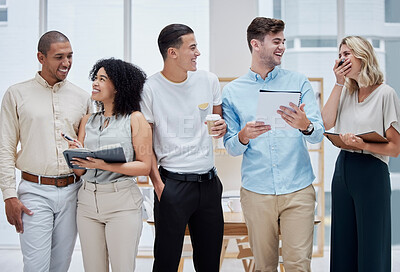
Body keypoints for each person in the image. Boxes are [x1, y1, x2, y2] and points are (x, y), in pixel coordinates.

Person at [222, 17, 324, 271]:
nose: (282, 47)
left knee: (298, 265)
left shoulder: (299, 82)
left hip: (298, 188)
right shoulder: (233, 92)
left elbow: (318, 134)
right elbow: (231, 147)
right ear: (256, 44)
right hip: (257, 192)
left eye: (283, 41)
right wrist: (244, 135)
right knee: (263, 267)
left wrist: (305, 124)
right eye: (276, 41)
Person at [0, 31, 91, 272]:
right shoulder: (16, 94)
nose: (66, 63)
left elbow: (88, 148)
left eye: (70, 56)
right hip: (34, 192)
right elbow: (5, 147)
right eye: (59, 57)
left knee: (61, 266)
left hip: (73, 191)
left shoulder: (82, 98)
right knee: (36, 266)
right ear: (41, 57)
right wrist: (9, 195)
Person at [140, 23, 227, 272]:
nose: (198, 52)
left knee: (210, 263)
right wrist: (158, 185)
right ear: (172, 53)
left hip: (209, 184)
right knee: (166, 262)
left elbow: (219, 124)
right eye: (193, 47)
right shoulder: (149, 88)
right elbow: (144, 144)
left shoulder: (209, 80)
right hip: (172, 185)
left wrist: (221, 128)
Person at [65, 58, 151, 272]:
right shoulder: (87, 121)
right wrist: (77, 154)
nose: (95, 83)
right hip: (86, 203)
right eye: (95, 78)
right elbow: (80, 171)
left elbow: (144, 166)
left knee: (122, 267)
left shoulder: (135, 119)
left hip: (121, 203)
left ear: (118, 87)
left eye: (102, 79)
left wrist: (103, 164)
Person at [321, 36, 400, 272]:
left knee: (372, 248)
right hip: (343, 168)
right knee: (342, 246)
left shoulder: (385, 94)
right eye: (340, 54)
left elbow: (395, 148)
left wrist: (363, 145)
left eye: (347, 54)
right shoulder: (345, 91)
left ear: (363, 56)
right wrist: (338, 83)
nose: (342, 59)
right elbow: (326, 121)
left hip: (371, 171)